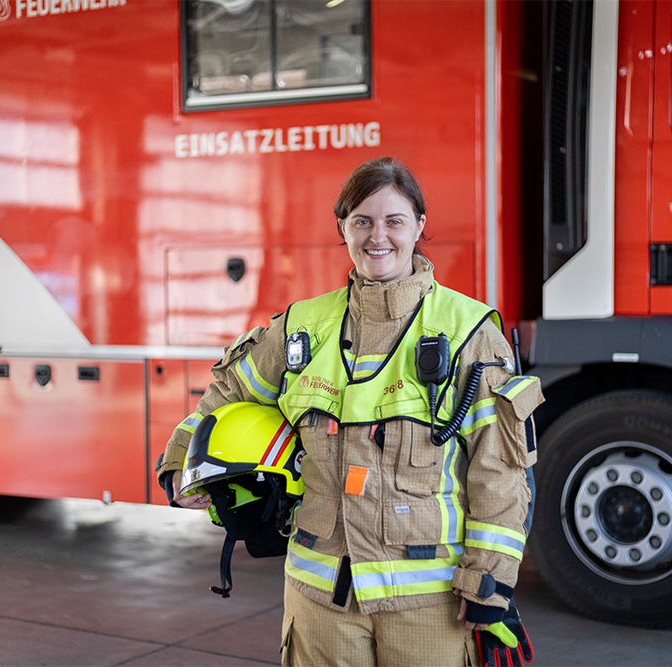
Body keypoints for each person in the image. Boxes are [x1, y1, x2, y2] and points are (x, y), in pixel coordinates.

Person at [156, 157, 542, 666]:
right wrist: (179, 465)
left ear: (420, 227)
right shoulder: (303, 327)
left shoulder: (469, 333)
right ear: (343, 227)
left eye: (394, 221)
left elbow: (501, 473)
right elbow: (226, 392)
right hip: (320, 604)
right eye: (361, 221)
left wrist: (487, 583)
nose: (376, 236)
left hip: (430, 607)